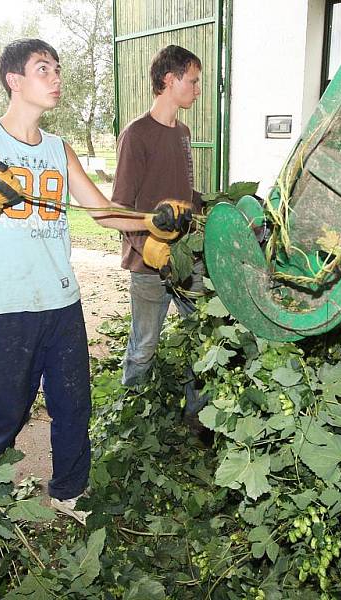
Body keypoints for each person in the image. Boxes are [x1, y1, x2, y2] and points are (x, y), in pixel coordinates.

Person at [0, 38, 191, 525]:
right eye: (43, 69)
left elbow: (103, 211)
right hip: (8, 304)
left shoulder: (58, 148)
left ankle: (70, 492)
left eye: (57, 68)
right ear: (15, 80)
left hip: (62, 301)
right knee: (7, 411)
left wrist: (152, 220)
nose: (55, 78)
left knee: (74, 404)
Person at [112, 45, 207, 422]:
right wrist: (145, 245)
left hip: (186, 260)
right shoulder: (137, 134)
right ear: (170, 80)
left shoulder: (183, 132)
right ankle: (129, 422)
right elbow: (120, 206)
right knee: (144, 347)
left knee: (202, 339)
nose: (198, 89)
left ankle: (197, 421)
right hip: (148, 263)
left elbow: (183, 194)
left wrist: (214, 203)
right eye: (193, 81)